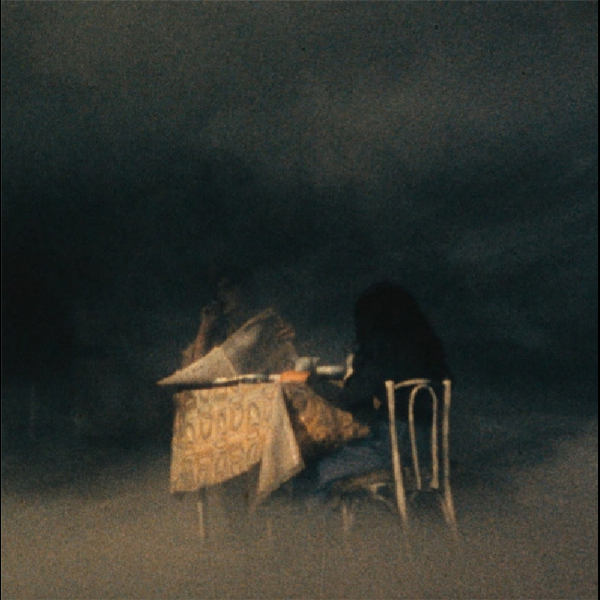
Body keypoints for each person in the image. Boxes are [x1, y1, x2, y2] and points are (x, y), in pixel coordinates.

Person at [318, 281, 450, 490]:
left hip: (396, 448)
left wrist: (312, 383)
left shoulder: (382, 348)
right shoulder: (427, 344)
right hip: (432, 448)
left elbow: (350, 398)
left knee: (322, 469)